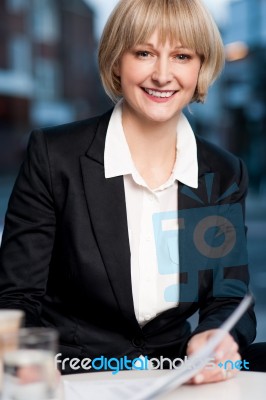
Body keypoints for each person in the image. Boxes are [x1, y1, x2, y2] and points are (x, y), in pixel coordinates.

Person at [0, 0, 264, 382]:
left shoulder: (220, 173)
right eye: (144, 53)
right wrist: (29, 356)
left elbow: (228, 296)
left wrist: (216, 336)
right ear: (116, 61)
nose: (162, 74)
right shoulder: (55, 156)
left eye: (181, 56)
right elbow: (16, 297)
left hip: (174, 372)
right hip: (73, 371)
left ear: (200, 67)